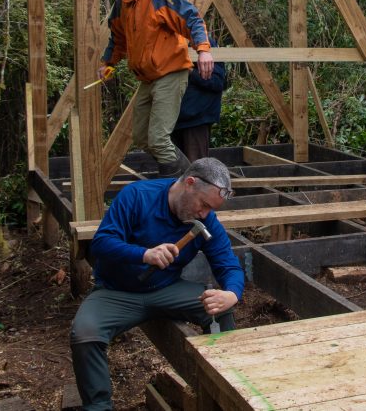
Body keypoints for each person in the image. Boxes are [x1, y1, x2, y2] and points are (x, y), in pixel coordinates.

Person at [69, 158, 242, 410]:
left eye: (210, 210)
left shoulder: (206, 220)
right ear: (189, 183)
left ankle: (224, 390)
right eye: (203, 205)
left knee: (222, 309)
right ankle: (98, 405)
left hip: (167, 288)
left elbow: (229, 265)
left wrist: (232, 293)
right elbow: (102, 243)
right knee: (84, 334)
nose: (204, 214)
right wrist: (143, 254)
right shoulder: (137, 196)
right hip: (117, 291)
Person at [98, 0, 214, 177]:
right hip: (148, 78)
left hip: (170, 71)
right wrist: (108, 64)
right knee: (142, 138)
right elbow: (117, 38)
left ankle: (190, 181)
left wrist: (203, 49)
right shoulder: (123, 2)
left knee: (159, 140)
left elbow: (190, 17)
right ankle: (184, 176)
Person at [172, 33, 227, 162]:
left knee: (196, 170)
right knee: (174, 171)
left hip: (196, 120)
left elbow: (217, 83)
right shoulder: (170, 42)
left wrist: (190, 70)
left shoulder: (206, 44)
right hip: (173, 120)